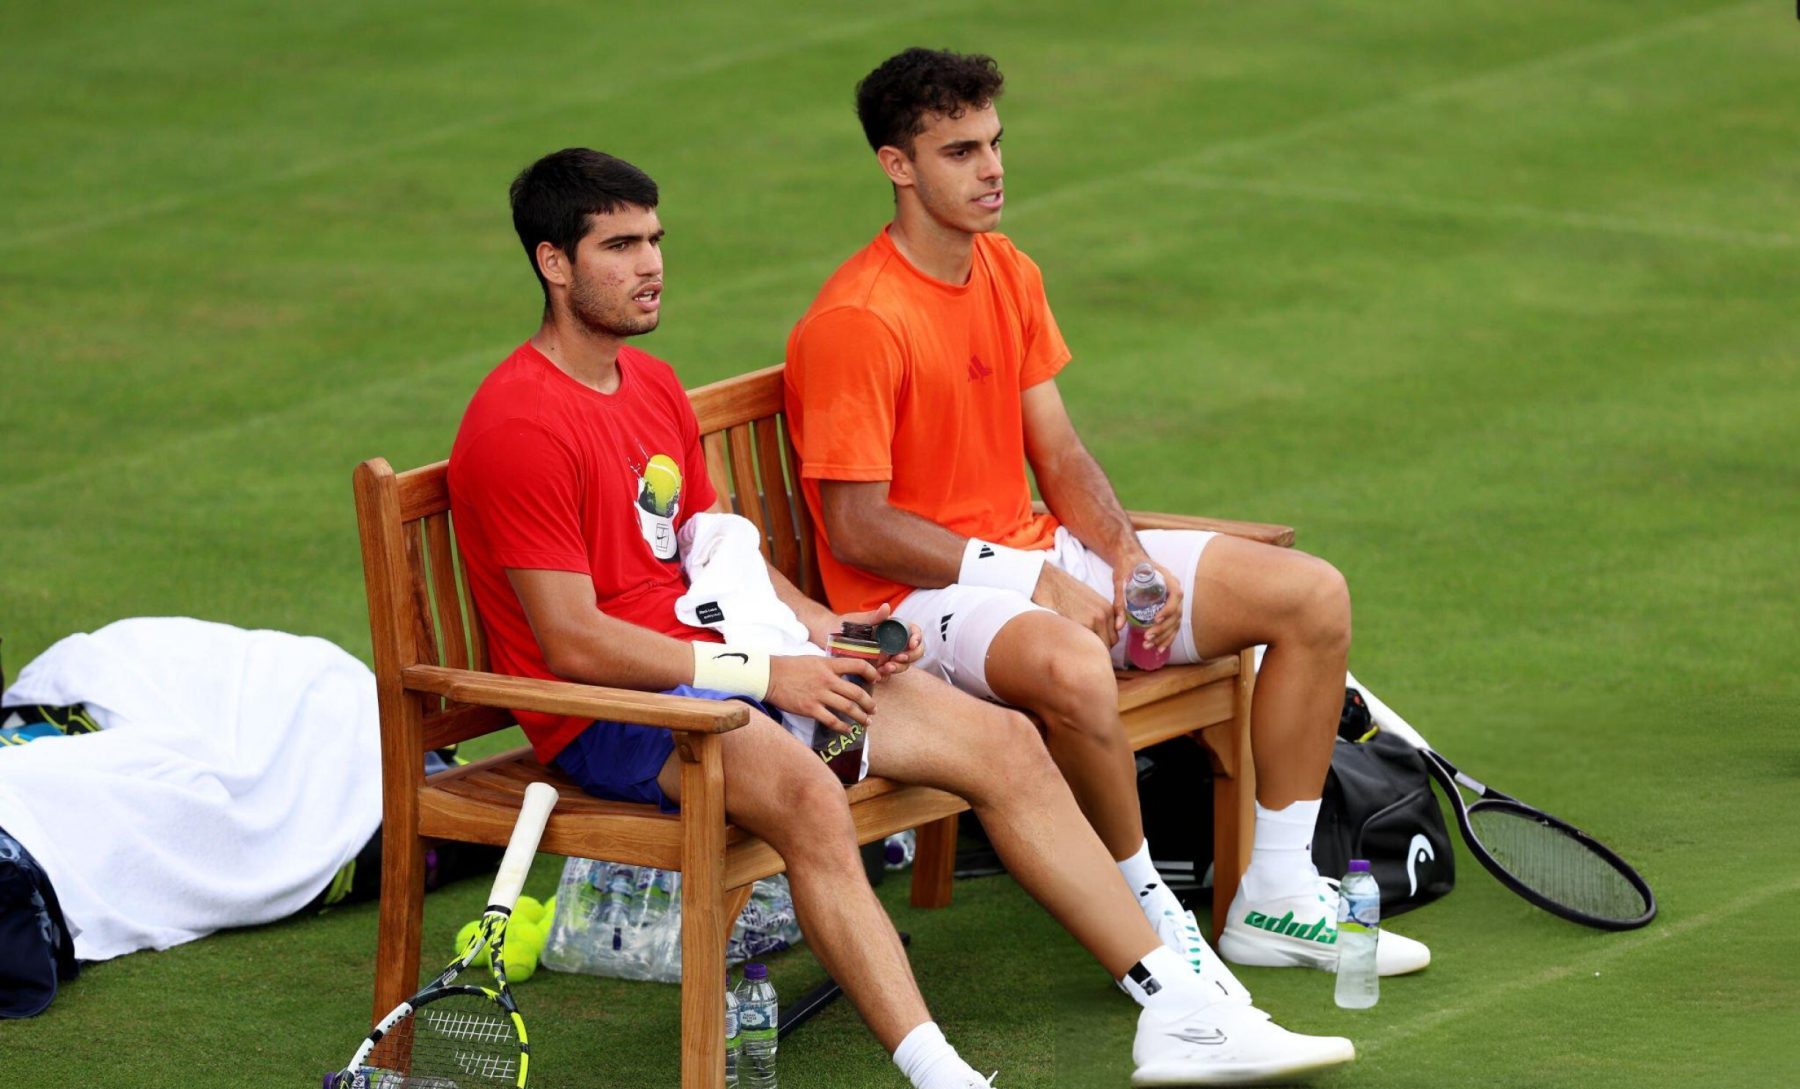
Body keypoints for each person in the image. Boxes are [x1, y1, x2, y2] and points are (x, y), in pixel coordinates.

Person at [448, 147, 1355, 1087]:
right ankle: (940, 1074)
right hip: (615, 708)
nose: (651, 265)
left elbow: (721, 557)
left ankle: (1178, 1010)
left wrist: (827, 635)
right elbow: (574, 641)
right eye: (620, 246)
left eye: (655, 240)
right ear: (554, 263)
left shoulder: (651, 385)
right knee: (807, 793)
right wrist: (770, 674)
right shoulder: (519, 422)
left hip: (716, 660)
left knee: (1005, 745)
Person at [783, 47, 1430, 980]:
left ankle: (1278, 896)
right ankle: (1151, 920)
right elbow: (857, 527)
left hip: (1031, 561)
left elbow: (1059, 451)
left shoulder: (1006, 270)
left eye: (995, 144)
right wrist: (1024, 576)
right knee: (1075, 662)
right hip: (909, 604)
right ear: (898, 165)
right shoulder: (857, 320)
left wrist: (1129, 560)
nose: (994, 168)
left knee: (1311, 597)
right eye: (961, 151)